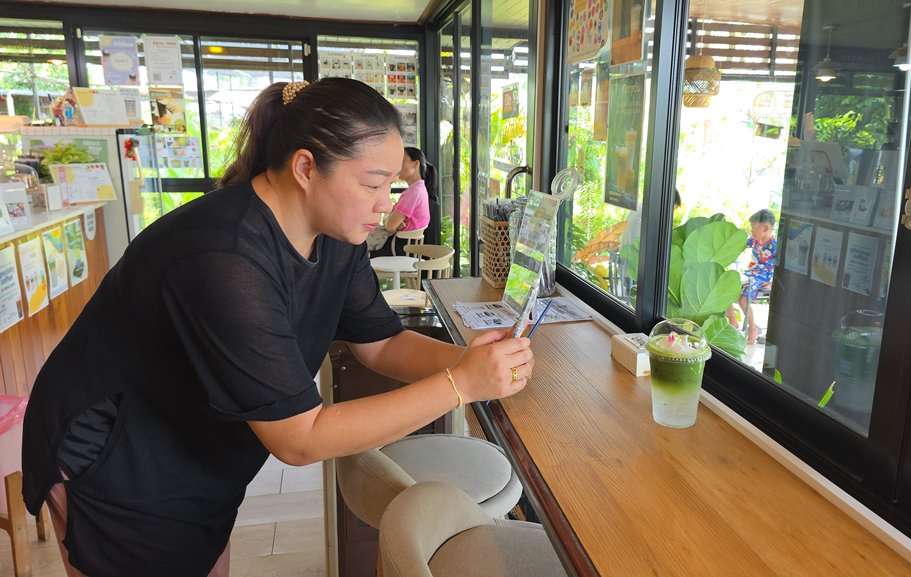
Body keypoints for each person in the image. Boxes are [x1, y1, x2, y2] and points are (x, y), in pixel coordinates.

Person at [21, 78, 533, 577]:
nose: (386, 202)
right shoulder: (225, 255)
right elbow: (299, 439)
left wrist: (480, 363)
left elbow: (382, 342)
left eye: (391, 185)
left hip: (197, 439)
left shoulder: (336, 235)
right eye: (372, 184)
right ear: (306, 167)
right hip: (119, 449)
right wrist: (461, 385)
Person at [368, 146, 434, 258]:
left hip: (397, 249)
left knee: (357, 254)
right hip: (405, 248)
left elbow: (390, 226)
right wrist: (393, 219)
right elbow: (392, 223)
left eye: (402, 161)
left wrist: (391, 218)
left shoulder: (413, 192)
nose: (398, 166)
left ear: (416, 164)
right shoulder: (419, 188)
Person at [726, 208, 777, 345]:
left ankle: (752, 328)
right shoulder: (754, 241)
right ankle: (732, 322)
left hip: (764, 277)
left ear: (765, 228)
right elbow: (738, 242)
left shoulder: (775, 246)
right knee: (726, 288)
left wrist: (773, 281)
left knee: (743, 299)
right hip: (750, 273)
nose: (751, 230)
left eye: (754, 228)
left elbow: (782, 266)